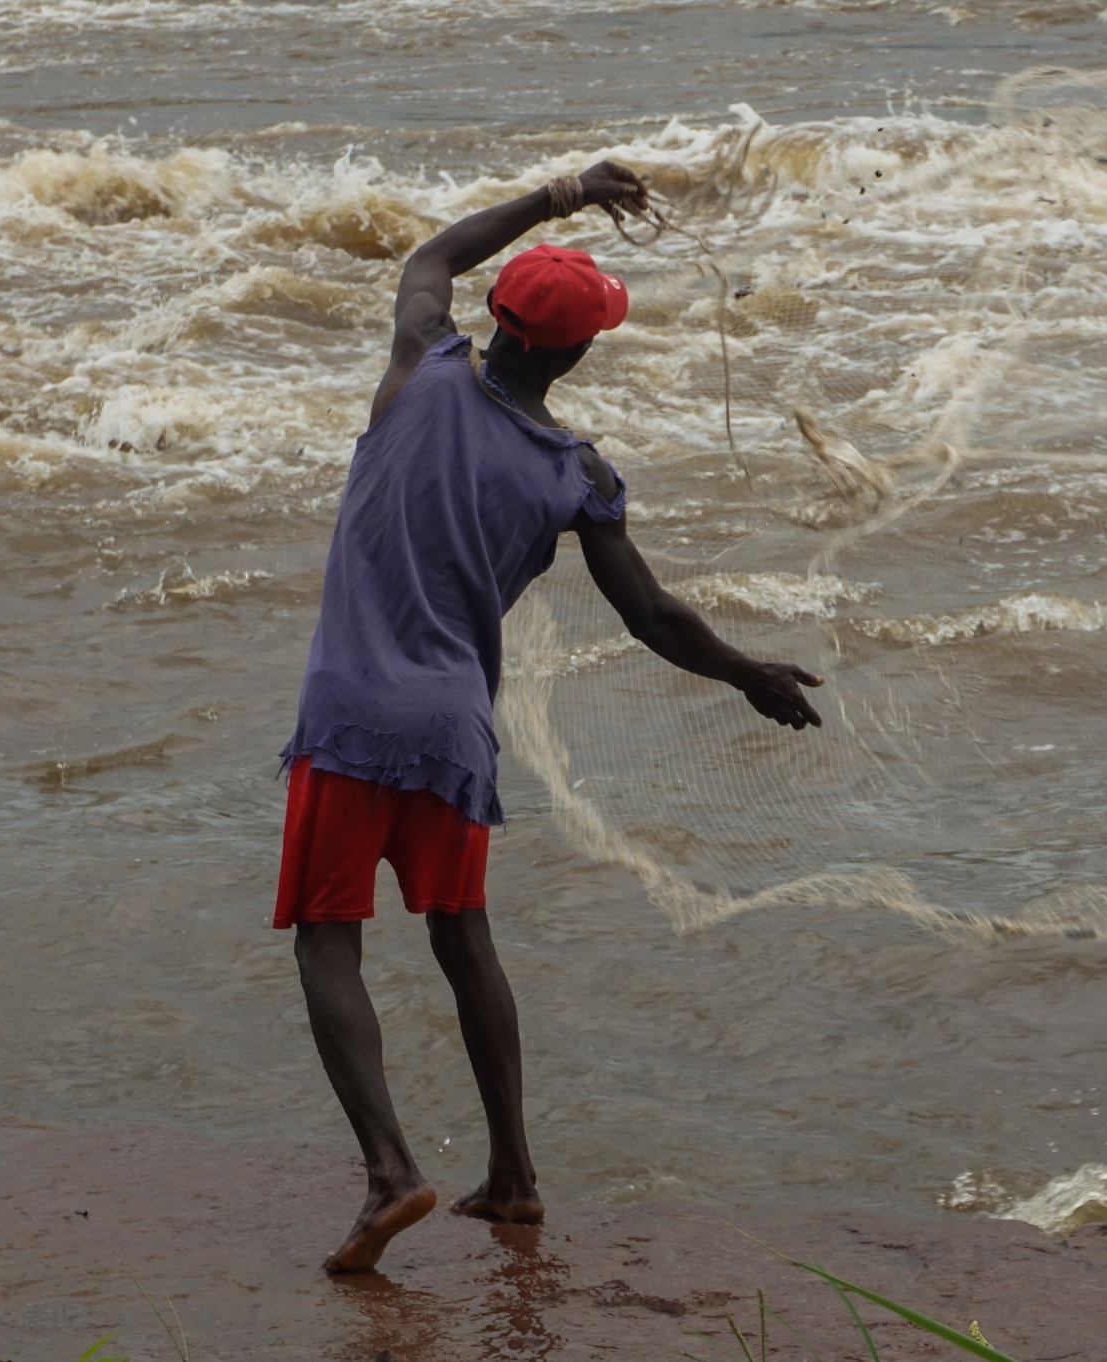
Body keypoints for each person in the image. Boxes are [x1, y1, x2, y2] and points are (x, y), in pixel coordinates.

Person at [276, 159, 824, 1274]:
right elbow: (652, 616)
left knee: (331, 942)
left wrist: (562, 194)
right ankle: (514, 1178)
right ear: (577, 354)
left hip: (347, 715)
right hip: (455, 729)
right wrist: (746, 674)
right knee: (462, 941)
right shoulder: (578, 473)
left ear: (498, 322)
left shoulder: (419, 372)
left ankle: (390, 1172)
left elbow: (428, 256)